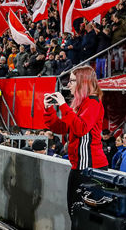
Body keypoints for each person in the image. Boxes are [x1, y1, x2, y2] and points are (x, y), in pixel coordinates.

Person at [43, 65, 108, 223]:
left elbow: (81, 129)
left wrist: (64, 106)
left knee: (81, 216)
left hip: (90, 169)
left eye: (72, 81)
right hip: (79, 167)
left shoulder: (93, 103)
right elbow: (61, 127)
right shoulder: (79, 105)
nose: (68, 85)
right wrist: (49, 109)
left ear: (82, 82)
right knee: (75, 212)